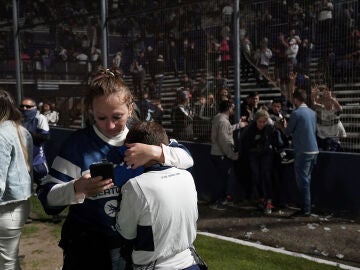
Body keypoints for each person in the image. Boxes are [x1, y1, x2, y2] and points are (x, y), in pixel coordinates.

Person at [37, 67, 194, 270]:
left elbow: (187, 158)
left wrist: (156, 152)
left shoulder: (142, 136)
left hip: (131, 251)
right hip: (88, 250)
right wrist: (77, 188)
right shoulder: (77, 146)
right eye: (101, 118)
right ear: (91, 111)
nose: (110, 126)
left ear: (130, 108)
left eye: (117, 117)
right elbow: (47, 199)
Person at [116, 121, 203, 270]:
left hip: (155, 266)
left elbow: (126, 233)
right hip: (190, 262)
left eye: (129, 150)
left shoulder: (136, 185)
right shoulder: (187, 175)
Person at [0, 89, 33, 270]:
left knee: (6, 263)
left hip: (5, 207)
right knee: (9, 260)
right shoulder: (19, 129)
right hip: (19, 204)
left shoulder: (1, 133)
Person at [284, 89, 319, 217]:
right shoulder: (312, 113)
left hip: (303, 150)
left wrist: (281, 126)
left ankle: (306, 209)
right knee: (307, 179)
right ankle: (306, 205)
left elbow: (288, 132)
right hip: (314, 149)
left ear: (296, 99)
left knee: (303, 181)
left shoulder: (296, 113)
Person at [240, 110, 277, 214]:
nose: (262, 124)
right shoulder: (249, 129)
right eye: (260, 121)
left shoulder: (269, 128)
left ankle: (269, 200)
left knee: (266, 175)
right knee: (256, 176)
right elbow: (245, 143)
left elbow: (271, 142)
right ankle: (261, 198)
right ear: (256, 120)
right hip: (254, 154)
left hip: (266, 154)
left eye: (264, 122)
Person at [209, 100, 243, 210]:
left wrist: (238, 125)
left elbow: (225, 131)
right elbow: (224, 140)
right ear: (228, 108)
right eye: (232, 108)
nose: (233, 110)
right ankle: (216, 202)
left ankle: (220, 200)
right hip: (221, 154)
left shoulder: (219, 118)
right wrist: (232, 155)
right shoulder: (223, 121)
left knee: (221, 178)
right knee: (221, 179)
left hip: (217, 153)